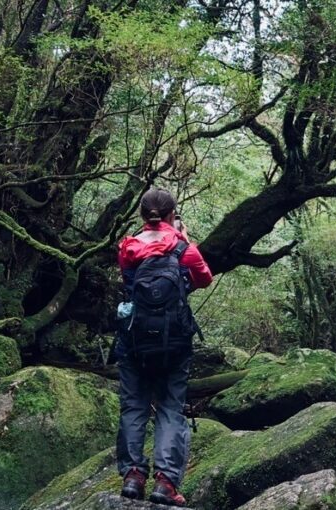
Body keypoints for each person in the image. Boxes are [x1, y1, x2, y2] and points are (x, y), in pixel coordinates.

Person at [115, 188, 213, 505]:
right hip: (174, 342)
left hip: (134, 340)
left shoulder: (127, 247)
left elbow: (129, 285)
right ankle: (166, 484)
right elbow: (204, 279)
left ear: (143, 216)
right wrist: (186, 241)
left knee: (134, 406)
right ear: (172, 215)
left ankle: (133, 476)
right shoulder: (183, 248)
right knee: (171, 407)